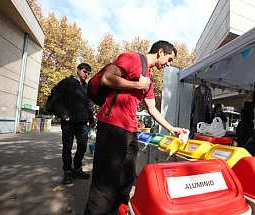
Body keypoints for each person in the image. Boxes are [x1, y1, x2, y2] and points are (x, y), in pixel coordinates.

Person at [84, 40, 182, 215]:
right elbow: (107, 78)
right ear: (160, 51)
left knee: (126, 179)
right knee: (106, 181)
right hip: (112, 125)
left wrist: (171, 128)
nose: (168, 64)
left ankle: (117, 211)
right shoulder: (132, 58)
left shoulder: (149, 78)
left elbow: (152, 109)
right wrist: (137, 84)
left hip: (130, 131)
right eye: (169, 59)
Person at [52, 63, 94, 185]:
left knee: (82, 146)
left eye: (88, 73)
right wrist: (64, 115)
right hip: (68, 122)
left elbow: (89, 104)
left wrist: (91, 120)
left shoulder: (87, 87)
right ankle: (67, 172)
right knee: (67, 147)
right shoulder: (67, 83)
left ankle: (77, 168)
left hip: (82, 123)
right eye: (84, 72)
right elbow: (57, 100)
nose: (86, 75)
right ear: (78, 70)